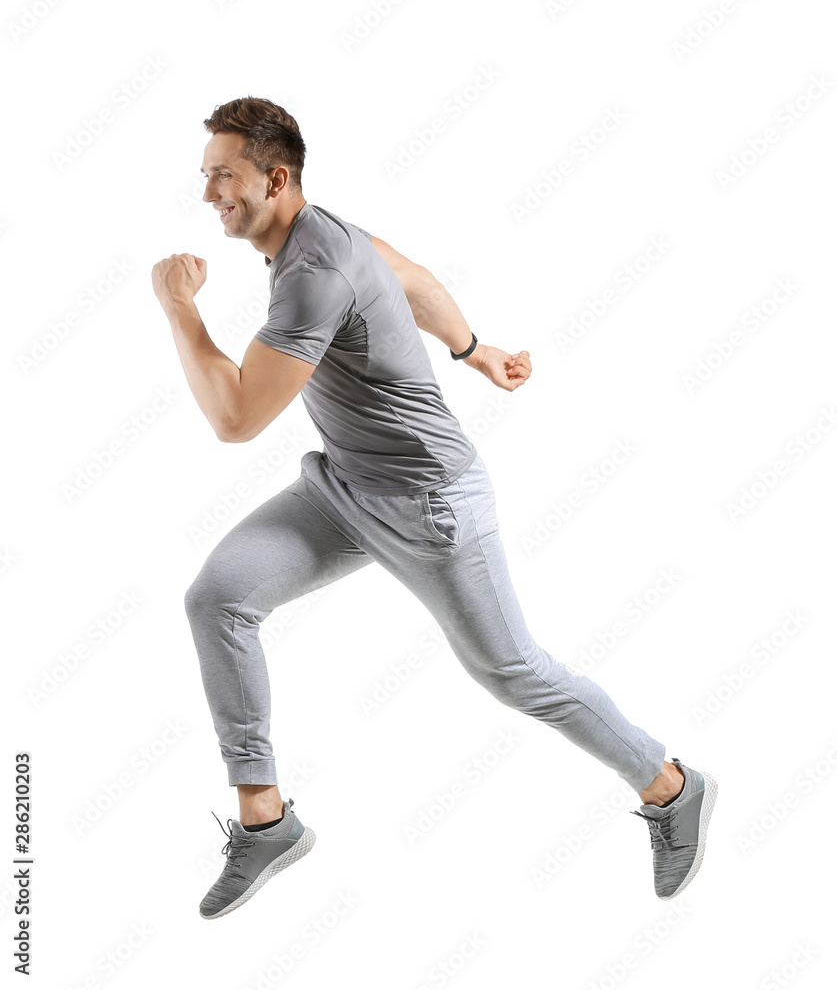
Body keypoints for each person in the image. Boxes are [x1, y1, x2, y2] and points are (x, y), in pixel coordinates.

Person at [151, 96, 717, 920]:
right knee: (218, 597)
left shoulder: (315, 272)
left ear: (275, 178)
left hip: (430, 506)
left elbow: (235, 418)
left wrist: (180, 311)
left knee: (514, 673)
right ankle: (264, 818)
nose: (209, 195)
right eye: (205, 177)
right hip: (344, 489)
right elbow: (414, 279)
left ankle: (672, 789)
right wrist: (471, 349)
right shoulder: (324, 233)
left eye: (223, 177)